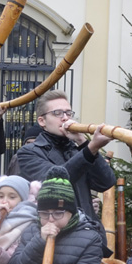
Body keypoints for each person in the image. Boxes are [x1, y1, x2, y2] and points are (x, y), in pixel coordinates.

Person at [13, 91, 115, 222]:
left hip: (89, 231)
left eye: (68, 113)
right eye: (57, 113)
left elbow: (105, 182)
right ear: (42, 121)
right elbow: (55, 182)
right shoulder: (28, 152)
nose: (65, 118)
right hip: (57, 232)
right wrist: (91, 148)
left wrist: (82, 141)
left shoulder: (79, 148)